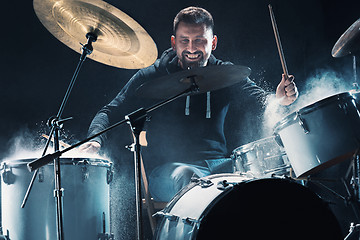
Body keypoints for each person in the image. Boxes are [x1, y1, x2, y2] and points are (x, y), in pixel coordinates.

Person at [80, 6, 298, 202]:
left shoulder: (226, 73)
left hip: (218, 166)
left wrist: (279, 98)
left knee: (259, 179)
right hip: (167, 171)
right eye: (184, 40)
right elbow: (111, 111)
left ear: (213, 42)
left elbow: (259, 100)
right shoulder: (154, 74)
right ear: (174, 43)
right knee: (186, 175)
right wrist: (96, 140)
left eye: (200, 40)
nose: (192, 48)